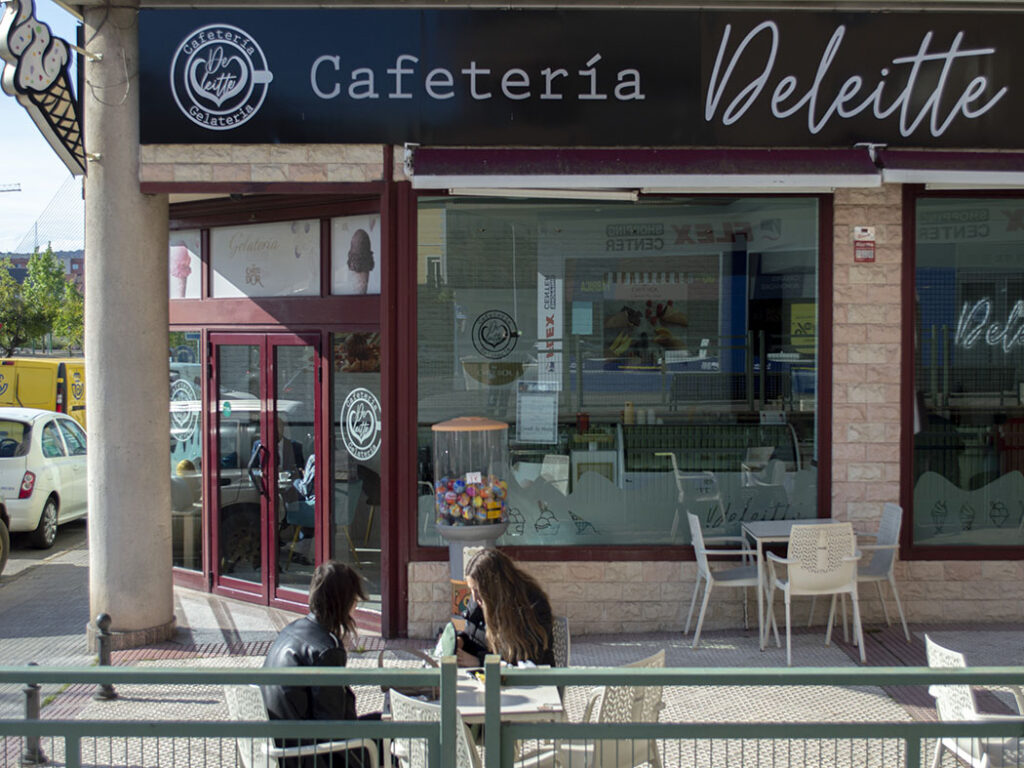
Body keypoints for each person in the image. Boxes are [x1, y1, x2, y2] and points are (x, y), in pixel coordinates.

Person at [261, 560, 379, 768]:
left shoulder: (291, 630)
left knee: (380, 724)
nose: (355, 605)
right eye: (354, 599)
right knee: (392, 733)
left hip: (283, 750)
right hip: (309, 756)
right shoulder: (326, 649)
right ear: (345, 601)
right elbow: (332, 728)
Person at [455, 548, 555, 668]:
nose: (474, 597)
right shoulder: (479, 600)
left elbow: (529, 659)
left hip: (531, 679)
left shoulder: (533, 604)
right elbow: (471, 633)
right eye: (471, 589)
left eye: (478, 590)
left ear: (495, 587)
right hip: (488, 675)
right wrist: (459, 641)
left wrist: (479, 661)